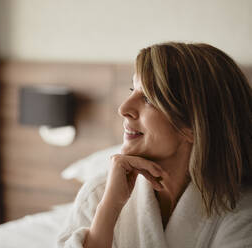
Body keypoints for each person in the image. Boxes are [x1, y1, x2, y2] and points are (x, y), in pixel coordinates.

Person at [57, 42, 252, 248]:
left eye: (149, 98)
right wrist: (109, 208)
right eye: (132, 89)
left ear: (195, 124)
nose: (124, 108)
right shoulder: (100, 193)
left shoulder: (241, 214)